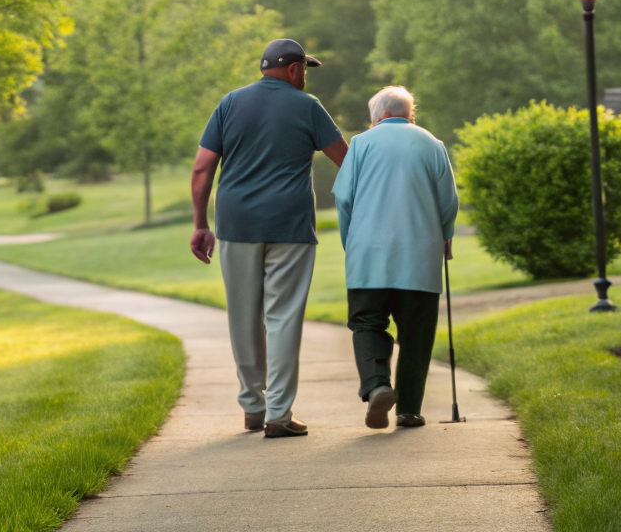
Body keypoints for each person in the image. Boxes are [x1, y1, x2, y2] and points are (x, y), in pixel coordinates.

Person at [189, 38, 348, 438]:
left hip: (236, 224)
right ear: (295, 70)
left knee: (243, 315)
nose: (305, 78)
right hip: (290, 226)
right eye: (305, 71)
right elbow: (346, 162)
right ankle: (279, 413)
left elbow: (202, 169)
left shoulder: (229, 103)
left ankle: (252, 407)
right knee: (283, 317)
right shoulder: (307, 107)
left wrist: (200, 224)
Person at [333, 85, 458, 430]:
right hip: (419, 256)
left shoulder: (359, 144)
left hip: (368, 256)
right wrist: (445, 235)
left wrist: (352, 243)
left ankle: (377, 385)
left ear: (379, 117)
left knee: (367, 323)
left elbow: (344, 200)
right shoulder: (433, 144)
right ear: (408, 114)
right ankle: (409, 409)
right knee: (417, 333)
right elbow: (448, 201)